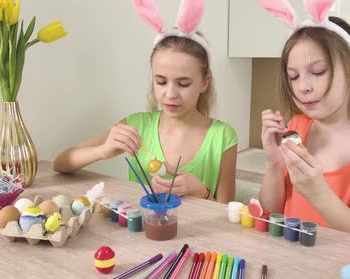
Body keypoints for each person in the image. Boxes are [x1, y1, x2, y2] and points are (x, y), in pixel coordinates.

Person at [52, 0, 237, 203]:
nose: (170, 93)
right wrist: (102, 151)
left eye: (183, 84)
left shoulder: (222, 137)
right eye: (161, 81)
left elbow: (228, 213)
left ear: (204, 83)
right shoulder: (136, 125)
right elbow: (60, 163)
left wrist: (201, 192)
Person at [257, 0, 350, 242]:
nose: (303, 87)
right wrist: (273, 163)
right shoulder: (297, 128)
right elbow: (273, 212)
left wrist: (320, 196)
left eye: (318, 72)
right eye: (293, 76)